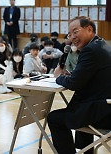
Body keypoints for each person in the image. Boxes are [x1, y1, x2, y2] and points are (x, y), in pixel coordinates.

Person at [47, 16, 111, 154]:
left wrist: (60, 77)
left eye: (75, 32)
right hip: (104, 107)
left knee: (54, 118)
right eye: (70, 34)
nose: (72, 37)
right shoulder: (101, 44)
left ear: (89, 29)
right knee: (78, 109)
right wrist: (72, 76)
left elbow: (74, 83)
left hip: (102, 114)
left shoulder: (91, 50)